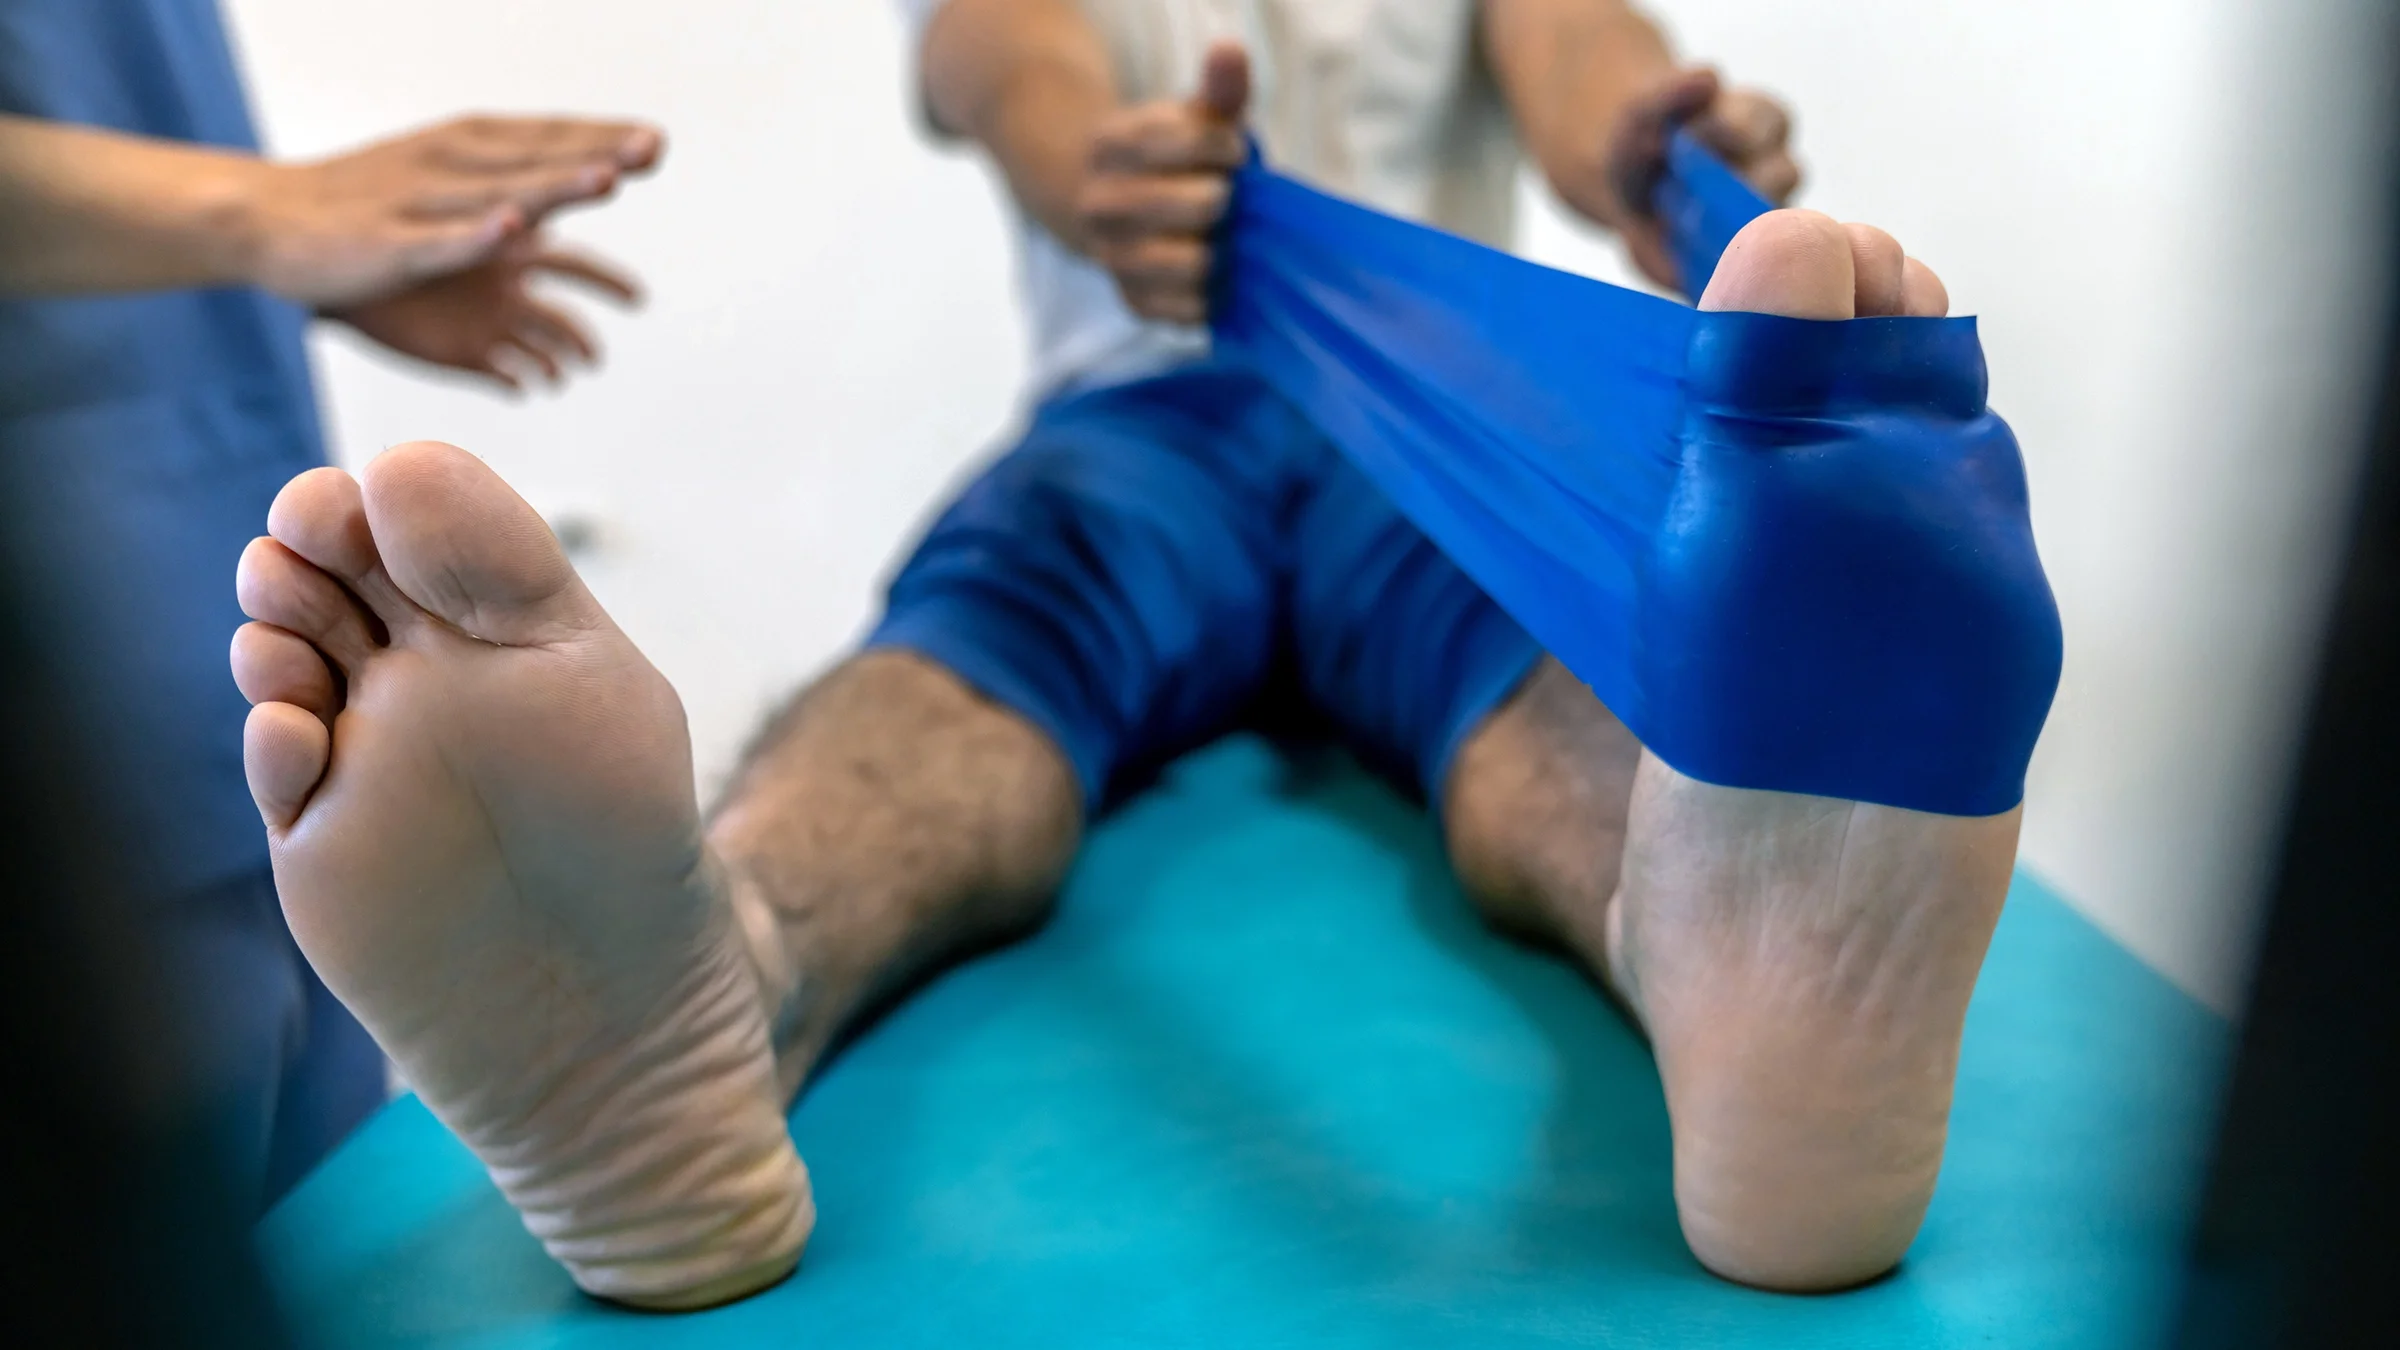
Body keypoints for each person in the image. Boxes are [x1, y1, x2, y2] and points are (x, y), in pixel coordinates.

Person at [226, 0, 2012, 1313]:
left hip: (1426, 430)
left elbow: (1574, 49)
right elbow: (1012, 64)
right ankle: (708, 982)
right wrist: (1110, 175)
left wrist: (1646, 139)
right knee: (969, 665)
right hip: (1145, 414)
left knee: (1554, 664)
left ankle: (1724, 939)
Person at [0, 0, 660, 1208]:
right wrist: (268, 213)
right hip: (78, 694)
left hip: (226, 610)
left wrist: (308, 271)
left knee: (315, 1233)